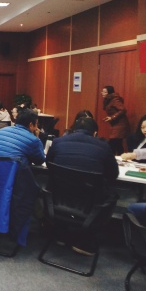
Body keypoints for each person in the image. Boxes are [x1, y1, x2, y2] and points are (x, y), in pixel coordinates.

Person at [46, 117, 119, 255]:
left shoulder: (58, 141)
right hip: (89, 203)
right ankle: (86, 240)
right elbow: (113, 175)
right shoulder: (104, 147)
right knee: (112, 195)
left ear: (73, 130)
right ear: (95, 133)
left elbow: (49, 164)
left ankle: (60, 234)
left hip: (59, 199)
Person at [101, 85, 129, 155]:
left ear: (109, 93)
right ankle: (121, 157)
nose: (102, 93)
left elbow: (123, 110)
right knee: (118, 144)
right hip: (116, 124)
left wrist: (112, 117)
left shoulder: (115, 100)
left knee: (113, 143)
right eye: (102, 91)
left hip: (120, 125)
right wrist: (110, 117)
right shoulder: (108, 100)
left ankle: (111, 158)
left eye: (105, 92)